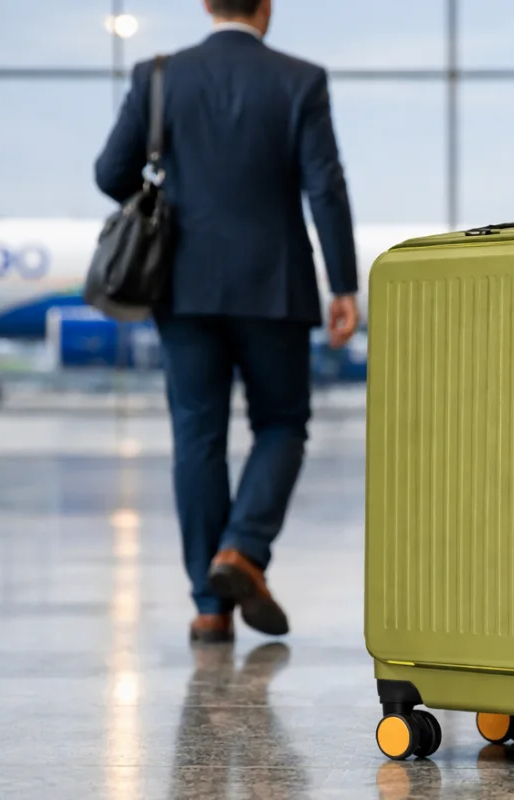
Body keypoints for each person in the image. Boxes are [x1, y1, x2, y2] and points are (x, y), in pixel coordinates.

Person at [94, 0, 360, 643]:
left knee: (197, 436)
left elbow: (110, 174)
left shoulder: (157, 76)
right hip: (276, 285)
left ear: (207, 5)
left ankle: (208, 608)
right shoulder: (301, 79)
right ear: (266, 7)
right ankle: (241, 550)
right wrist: (344, 283)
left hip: (182, 286)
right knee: (281, 424)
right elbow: (324, 186)